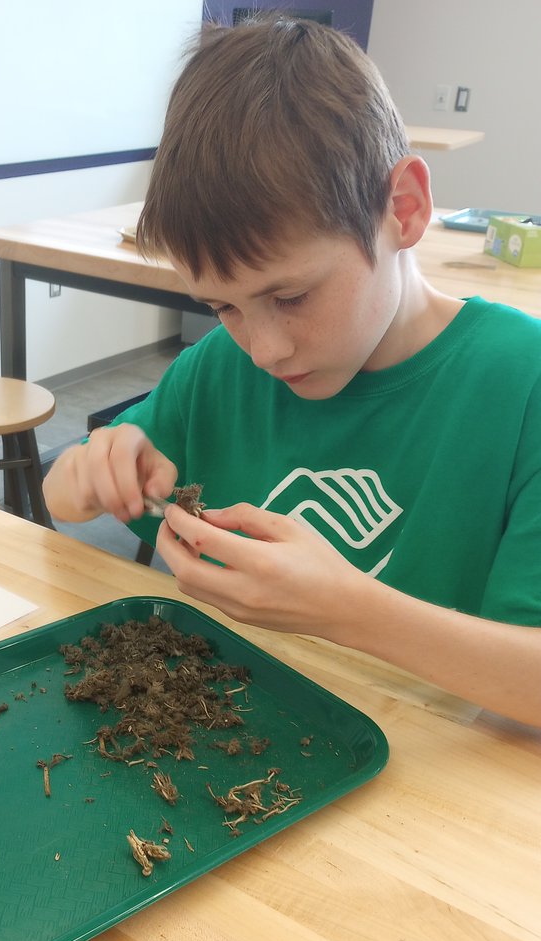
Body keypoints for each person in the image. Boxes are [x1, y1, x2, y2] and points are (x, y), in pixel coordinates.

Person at [42, 15, 541, 727]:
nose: (265, 349)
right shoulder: (220, 368)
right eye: (224, 306)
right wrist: (93, 467)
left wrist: (349, 611)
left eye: (291, 296)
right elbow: (60, 495)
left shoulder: (521, 385)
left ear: (403, 208)